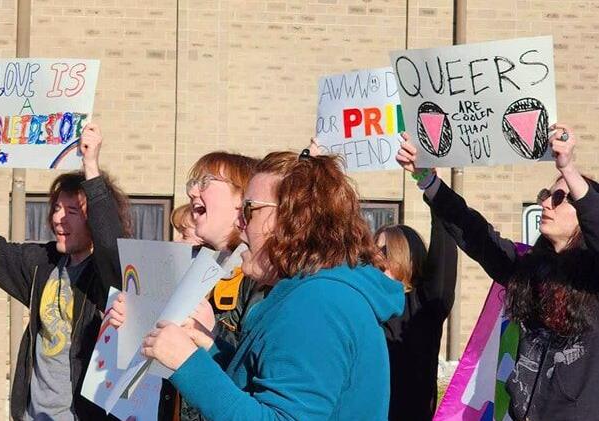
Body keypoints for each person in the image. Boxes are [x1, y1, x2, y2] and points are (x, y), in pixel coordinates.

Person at [116, 150, 405, 420]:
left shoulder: (317, 305)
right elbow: (264, 383)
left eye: (250, 210)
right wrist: (212, 349)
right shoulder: (311, 294)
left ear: (295, 220)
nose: (240, 222)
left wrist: (188, 362)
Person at [396, 123, 599, 420]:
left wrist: (569, 168)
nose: (545, 202)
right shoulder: (530, 269)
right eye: (546, 194)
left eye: (559, 198)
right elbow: (476, 235)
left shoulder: (593, 277)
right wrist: (426, 179)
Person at [0, 123, 132, 421]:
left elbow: (111, 248)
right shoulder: (43, 264)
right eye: (56, 208)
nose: (58, 218)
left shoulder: (106, 278)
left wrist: (91, 166)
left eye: (72, 212)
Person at [109, 152, 263, 421]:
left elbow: (260, 373)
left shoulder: (261, 276)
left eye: (205, 181)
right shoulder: (191, 267)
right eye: (193, 182)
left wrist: (212, 334)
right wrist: (132, 321)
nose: (192, 191)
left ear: (242, 199)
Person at [376, 217, 457, 421]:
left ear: (407, 257)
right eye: (372, 253)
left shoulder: (423, 305)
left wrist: (434, 194)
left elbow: (444, 249)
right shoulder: (365, 305)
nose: (376, 259)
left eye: (385, 252)